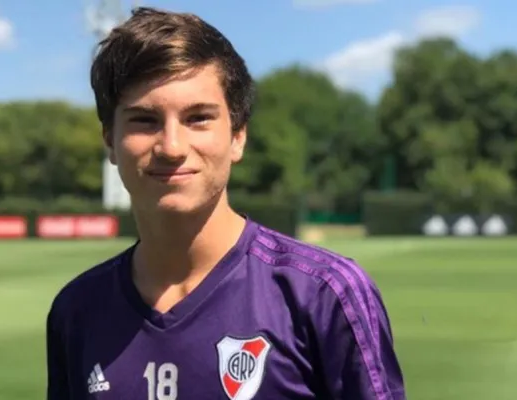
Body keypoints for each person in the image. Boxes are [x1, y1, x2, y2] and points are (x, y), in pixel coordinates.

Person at [46, 6, 406, 400]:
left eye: (198, 118)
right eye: (144, 120)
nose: (172, 147)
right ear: (110, 141)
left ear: (237, 137)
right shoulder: (77, 311)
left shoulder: (324, 294)